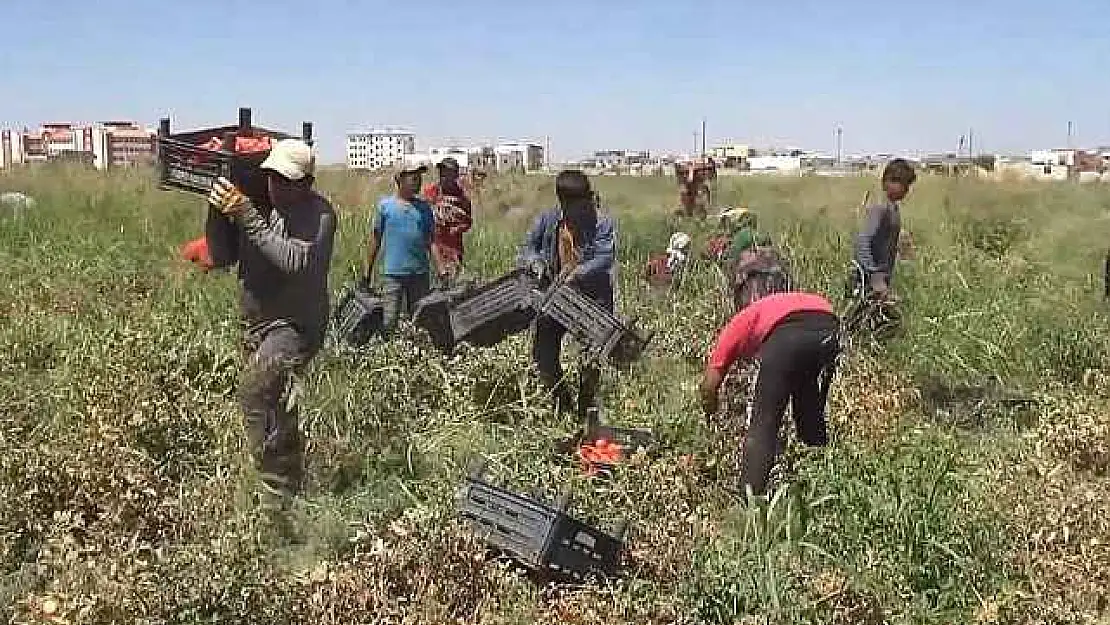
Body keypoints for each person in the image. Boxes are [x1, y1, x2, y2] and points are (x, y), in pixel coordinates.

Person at [205, 138, 337, 500]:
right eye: (272, 178)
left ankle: (271, 491)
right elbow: (222, 256)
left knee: (254, 394)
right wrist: (219, 213)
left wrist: (247, 215)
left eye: (285, 180)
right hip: (257, 324)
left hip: (293, 328)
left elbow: (295, 262)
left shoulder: (319, 216)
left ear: (306, 184)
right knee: (276, 406)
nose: (275, 186)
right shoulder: (261, 206)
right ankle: (289, 477)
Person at [700, 291, 841, 498]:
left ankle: (747, 507)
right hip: (829, 327)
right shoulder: (769, 308)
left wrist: (710, 411)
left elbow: (709, 385)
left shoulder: (738, 324)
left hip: (789, 332)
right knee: (809, 414)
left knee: (763, 426)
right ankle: (820, 494)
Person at [518, 170, 616, 418]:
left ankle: (586, 410)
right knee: (543, 353)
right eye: (579, 204)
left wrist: (577, 273)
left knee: (591, 359)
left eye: (587, 201)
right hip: (555, 299)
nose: (585, 208)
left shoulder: (601, 222)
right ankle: (562, 404)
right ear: (564, 203)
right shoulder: (548, 220)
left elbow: (605, 258)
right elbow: (528, 247)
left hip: (592, 301)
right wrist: (536, 262)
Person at [362, 164, 436, 335]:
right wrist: (367, 273)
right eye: (413, 178)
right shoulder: (385, 207)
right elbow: (375, 240)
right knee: (389, 321)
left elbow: (431, 242)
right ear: (399, 180)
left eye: (419, 179)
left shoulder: (424, 209)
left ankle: (415, 353)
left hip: (419, 274)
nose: (418, 183)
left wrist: (441, 270)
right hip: (393, 275)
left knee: (419, 320)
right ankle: (389, 353)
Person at [854, 158, 916, 300]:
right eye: (903, 184)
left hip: (880, 280)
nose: (906, 190)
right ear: (887, 181)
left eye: (908, 185)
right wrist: (875, 277)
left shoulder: (892, 206)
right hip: (869, 283)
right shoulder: (880, 207)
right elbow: (862, 241)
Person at [422, 157, 473, 287]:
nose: (443, 176)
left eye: (448, 173)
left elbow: (468, 221)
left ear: (455, 175)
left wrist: (457, 228)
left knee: (452, 289)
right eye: (442, 172)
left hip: (453, 251)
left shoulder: (462, 198)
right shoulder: (430, 192)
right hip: (433, 252)